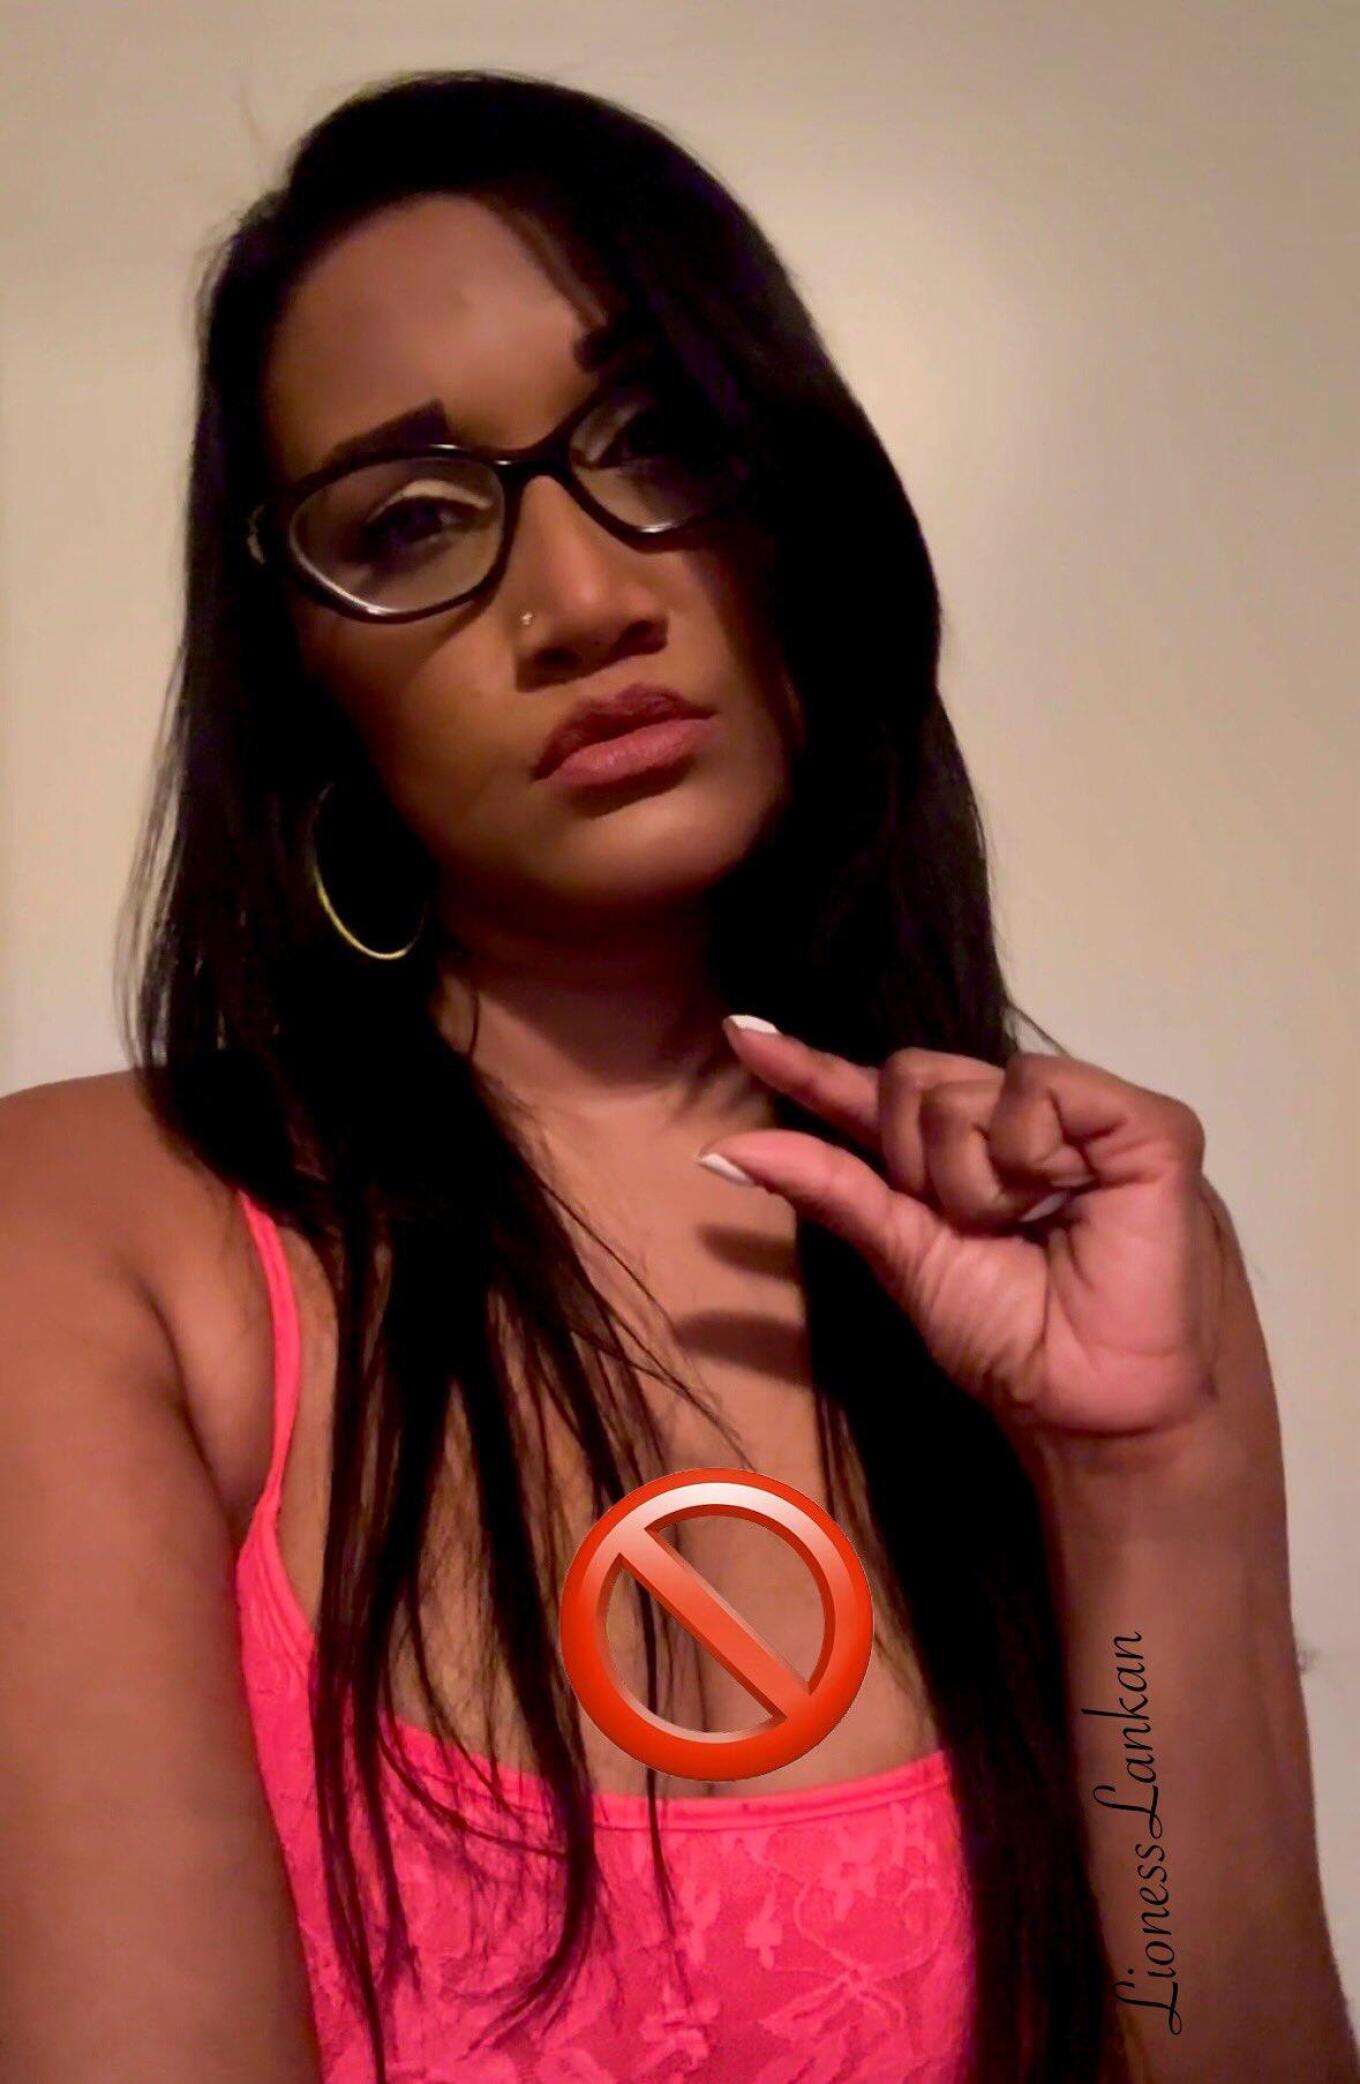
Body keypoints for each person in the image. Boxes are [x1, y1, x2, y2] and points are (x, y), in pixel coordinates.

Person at [0, 67, 1353, 2084]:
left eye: (657, 437)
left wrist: (1144, 1481)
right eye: (410, 523)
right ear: (307, 674)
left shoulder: (1093, 1247)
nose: (582, 602)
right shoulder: (91, 1239)